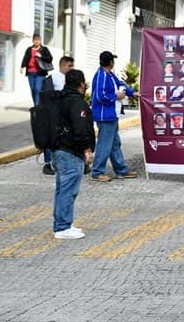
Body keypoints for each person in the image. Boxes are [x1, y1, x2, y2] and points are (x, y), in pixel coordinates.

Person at [51, 69, 95, 239]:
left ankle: (61, 224)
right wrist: (87, 149)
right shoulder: (77, 102)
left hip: (58, 150)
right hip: (71, 152)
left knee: (62, 190)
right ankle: (63, 227)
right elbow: (80, 128)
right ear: (81, 84)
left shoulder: (59, 100)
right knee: (69, 191)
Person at [90, 51, 140, 182]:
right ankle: (97, 172)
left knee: (114, 144)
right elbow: (100, 97)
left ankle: (121, 170)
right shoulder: (102, 76)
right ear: (111, 62)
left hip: (112, 115)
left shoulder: (110, 75)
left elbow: (121, 84)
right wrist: (116, 96)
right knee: (105, 144)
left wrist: (132, 93)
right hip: (105, 116)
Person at [41, 56, 75, 176]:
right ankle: (48, 163)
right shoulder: (52, 78)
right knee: (51, 138)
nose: (71, 68)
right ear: (62, 65)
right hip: (54, 114)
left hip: (67, 114)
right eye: (69, 66)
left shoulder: (72, 78)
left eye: (72, 66)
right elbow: (47, 96)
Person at [20, 33, 53, 106]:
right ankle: (36, 105)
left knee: (38, 89)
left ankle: (38, 105)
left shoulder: (44, 49)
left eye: (38, 40)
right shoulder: (29, 49)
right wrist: (22, 66)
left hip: (40, 73)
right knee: (33, 90)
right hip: (30, 72)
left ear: (40, 41)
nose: (37, 41)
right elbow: (25, 58)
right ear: (33, 41)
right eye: (35, 40)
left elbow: (50, 59)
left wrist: (41, 56)